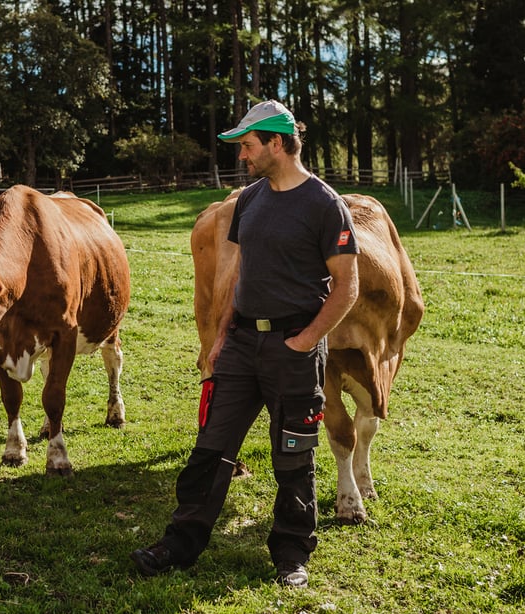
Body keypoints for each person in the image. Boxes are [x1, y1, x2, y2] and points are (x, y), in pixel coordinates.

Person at [130, 100, 359, 587]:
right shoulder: (251, 200)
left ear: (277, 142)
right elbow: (241, 276)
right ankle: (180, 542)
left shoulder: (324, 204)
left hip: (293, 350)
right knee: (210, 450)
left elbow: (346, 286)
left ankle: (291, 553)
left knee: (293, 455)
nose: (241, 156)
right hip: (239, 345)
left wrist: (305, 342)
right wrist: (219, 337)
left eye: (248, 145)